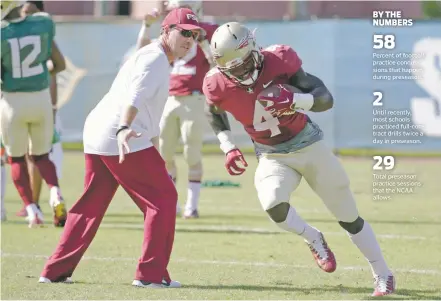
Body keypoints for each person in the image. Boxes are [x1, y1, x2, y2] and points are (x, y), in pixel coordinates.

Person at [202, 22, 396, 297]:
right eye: (233, 69)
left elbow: (324, 98)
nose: (241, 73)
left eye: (244, 64)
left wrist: (296, 100)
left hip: (308, 144)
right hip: (271, 154)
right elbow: (213, 111)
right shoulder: (216, 83)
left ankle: (383, 274)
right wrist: (227, 145)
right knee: (272, 204)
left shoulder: (279, 60)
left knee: (348, 217)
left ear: (253, 50)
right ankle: (312, 237)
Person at [38, 8, 204, 288]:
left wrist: (146, 26)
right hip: (121, 136)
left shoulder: (152, 52)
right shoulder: (156, 59)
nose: (190, 38)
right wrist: (124, 127)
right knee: (163, 199)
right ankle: (150, 276)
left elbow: (139, 58)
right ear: (167, 31)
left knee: (90, 206)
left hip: (98, 133)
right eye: (184, 32)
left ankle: (53, 271)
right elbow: (136, 95)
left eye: (195, 34)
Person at [136, 0, 218, 218]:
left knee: (192, 153)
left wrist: (204, 43)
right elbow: (142, 53)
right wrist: (146, 26)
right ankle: (172, 202)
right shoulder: (171, 29)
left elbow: (219, 66)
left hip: (194, 98)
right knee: (164, 154)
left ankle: (192, 204)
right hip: (169, 98)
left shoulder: (209, 31)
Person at [0, 0, 67, 227]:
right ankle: (55, 192)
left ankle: (32, 210)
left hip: (13, 101)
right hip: (41, 98)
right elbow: (56, 62)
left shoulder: (2, 32)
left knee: (16, 158)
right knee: (42, 156)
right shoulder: (43, 22)